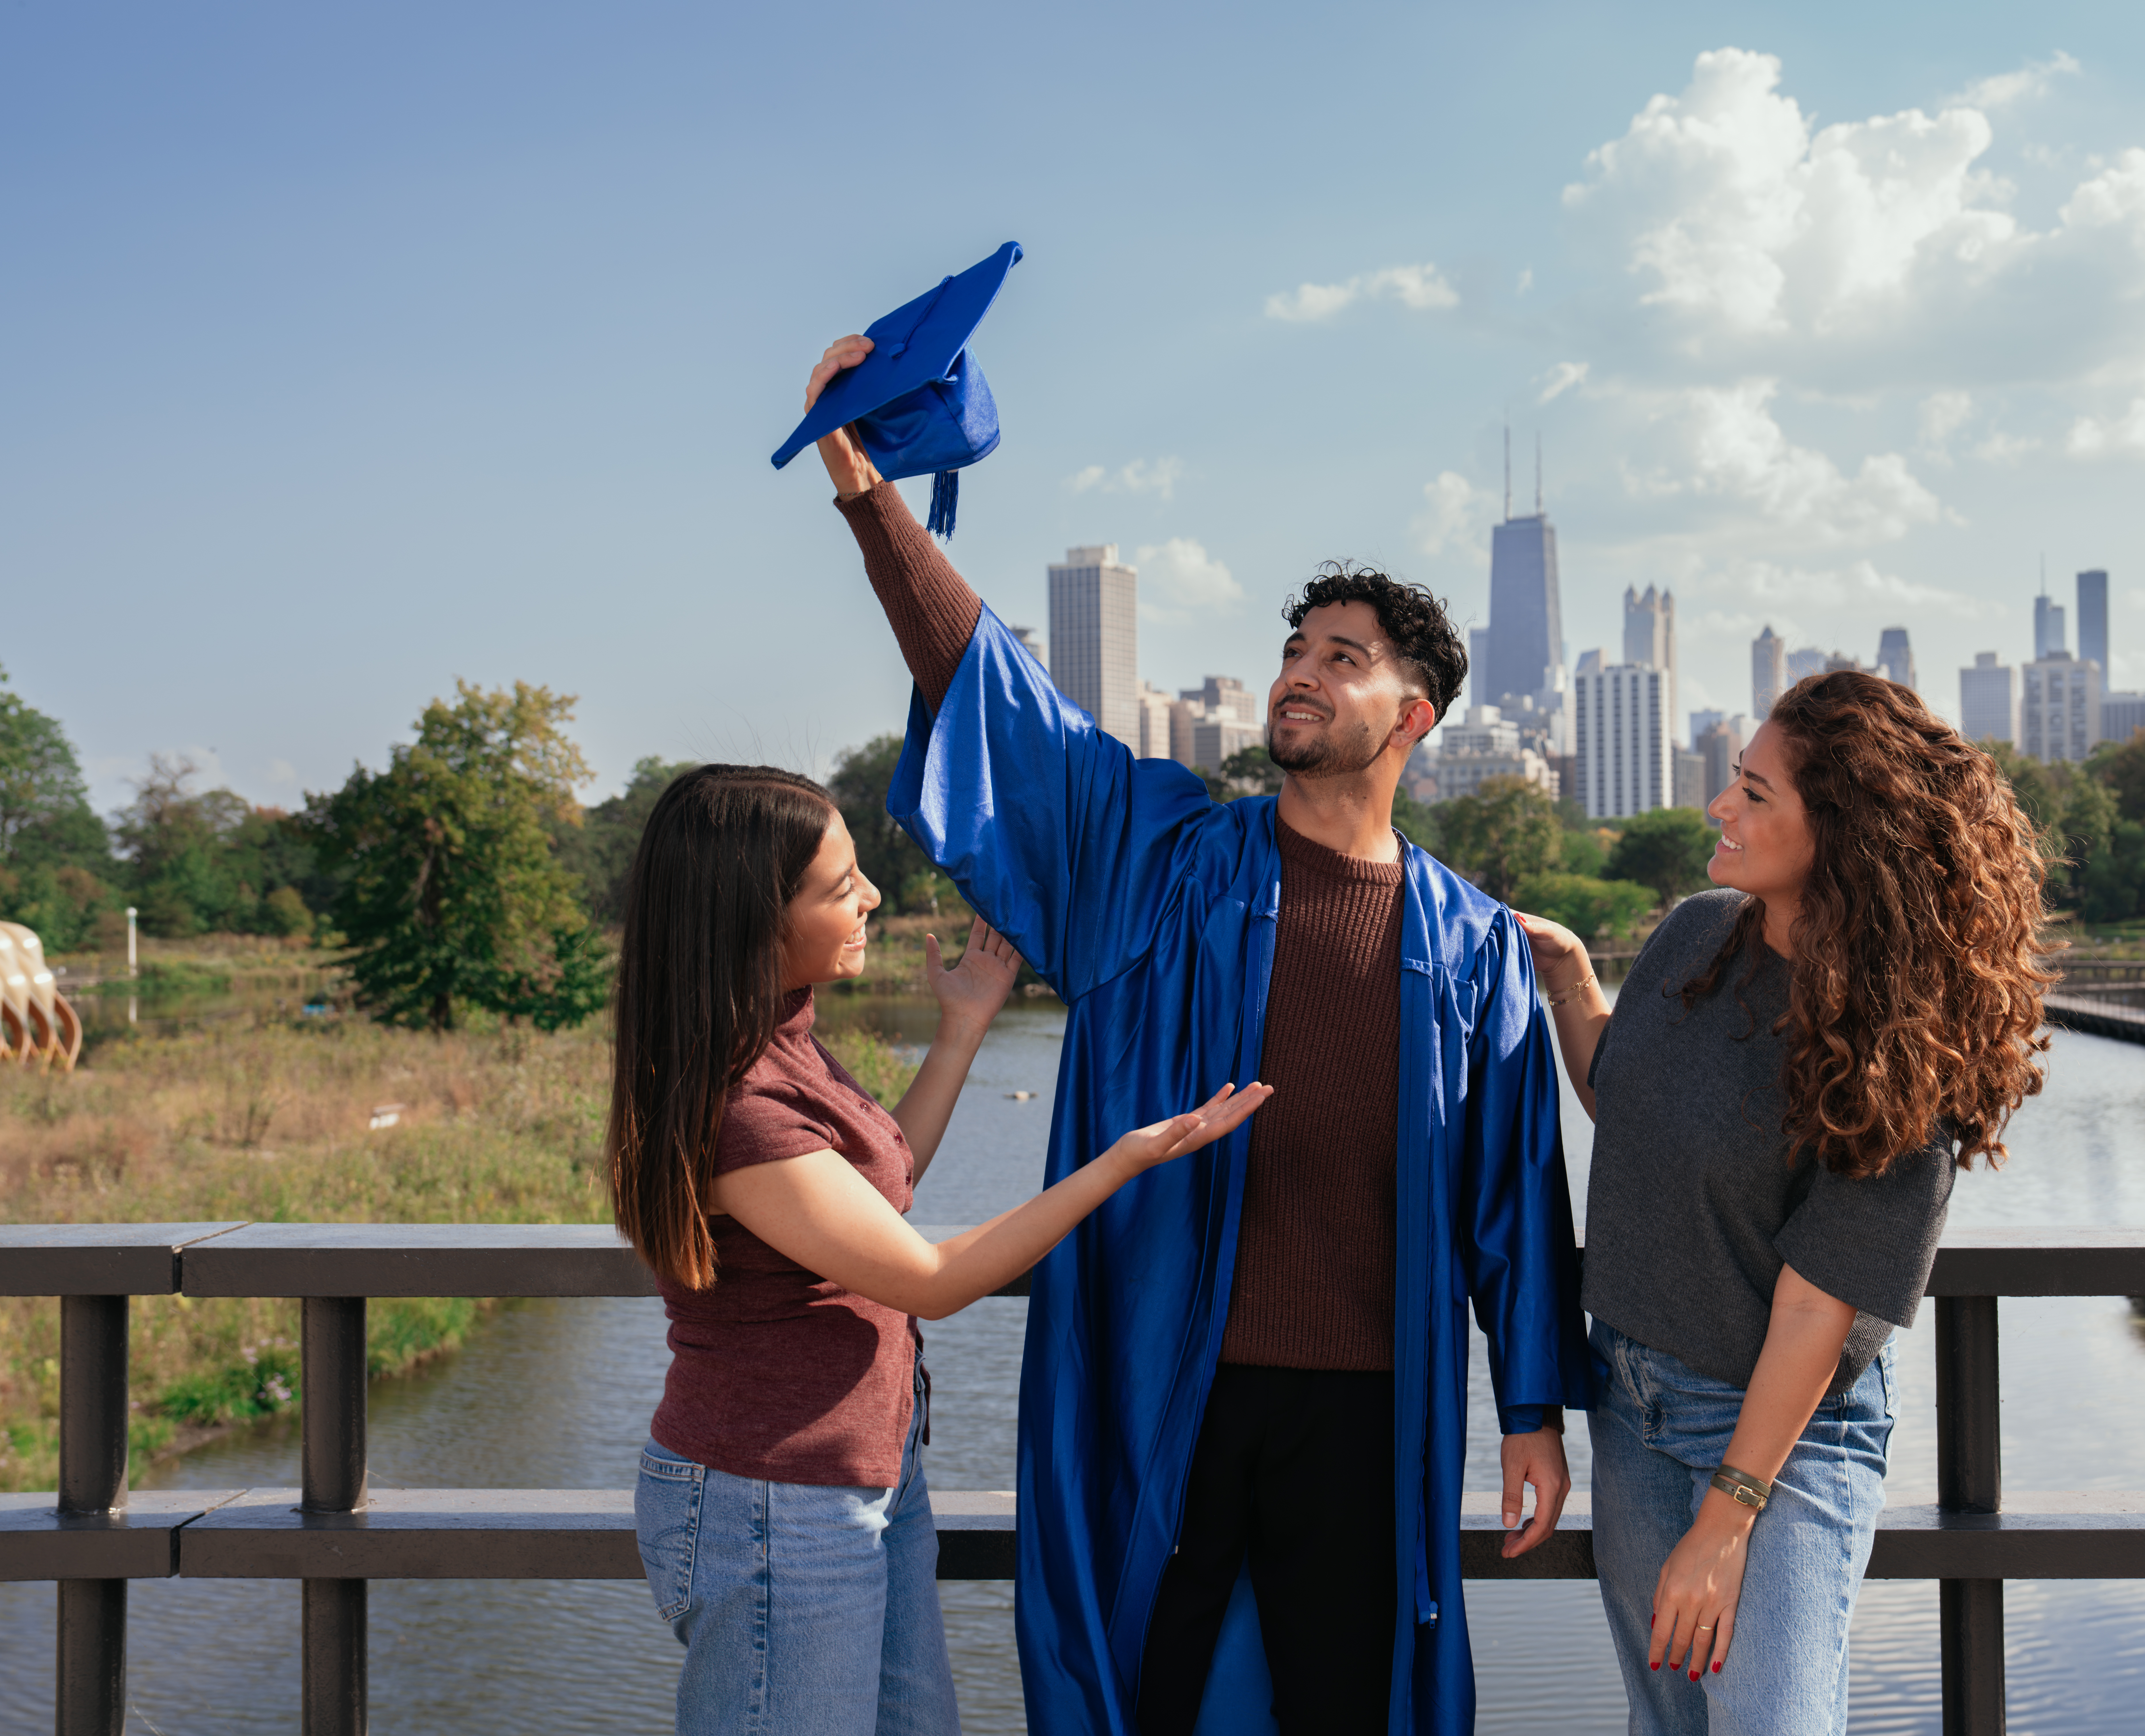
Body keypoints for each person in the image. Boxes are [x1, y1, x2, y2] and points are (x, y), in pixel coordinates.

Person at [802, 333, 1594, 1736]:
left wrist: (1531, 1407)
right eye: (1293, 648)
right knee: (1147, 1693)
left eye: (1339, 658)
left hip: (1366, 1411)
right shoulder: (1162, 862)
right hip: (1170, 1379)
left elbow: (1515, 1208)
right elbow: (1005, 709)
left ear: (1410, 714)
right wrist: (868, 490)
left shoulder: (1475, 947)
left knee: (1348, 1704)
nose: (1299, 671)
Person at [609, 762, 1272, 1736]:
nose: (873, 894)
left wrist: (962, 1027)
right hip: (772, 1506)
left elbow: (878, 1186)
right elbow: (929, 1278)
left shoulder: (783, 1038)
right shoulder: (740, 1103)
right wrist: (1123, 1160)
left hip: (863, 1477)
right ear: (755, 918)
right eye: (841, 887)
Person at [1516, 670, 2051, 1735]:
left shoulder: (1905, 1046)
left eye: (1757, 794)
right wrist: (1573, 978)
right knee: (1669, 1727)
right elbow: (1629, 1095)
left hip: (1782, 1438)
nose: (1722, 806)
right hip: (1629, 1400)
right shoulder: (1699, 932)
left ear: (1846, 837)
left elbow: (1818, 1313)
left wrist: (1727, 1520)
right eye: (1735, 782)